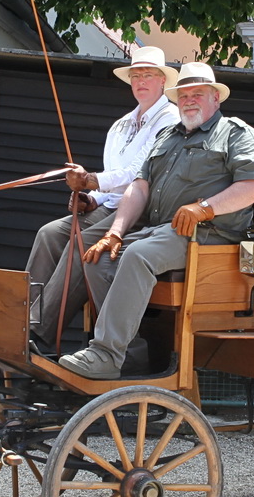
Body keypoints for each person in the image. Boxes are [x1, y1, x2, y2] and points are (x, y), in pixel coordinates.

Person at [57, 62, 254, 380]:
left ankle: (105, 353)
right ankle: (132, 354)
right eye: (183, 95)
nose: (189, 100)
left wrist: (205, 208)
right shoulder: (167, 138)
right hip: (165, 230)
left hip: (212, 235)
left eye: (197, 94)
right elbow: (139, 186)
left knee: (137, 256)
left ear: (216, 98)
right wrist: (115, 232)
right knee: (99, 255)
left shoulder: (236, 134)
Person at [25, 47, 180, 354]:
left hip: (142, 209)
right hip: (108, 205)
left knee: (80, 245)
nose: (141, 81)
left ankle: (39, 333)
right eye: (135, 75)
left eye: (148, 75)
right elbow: (112, 178)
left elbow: (138, 175)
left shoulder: (170, 120)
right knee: (48, 234)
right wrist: (90, 198)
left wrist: (93, 180)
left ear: (162, 81)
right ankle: (23, 318)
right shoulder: (121, 125)